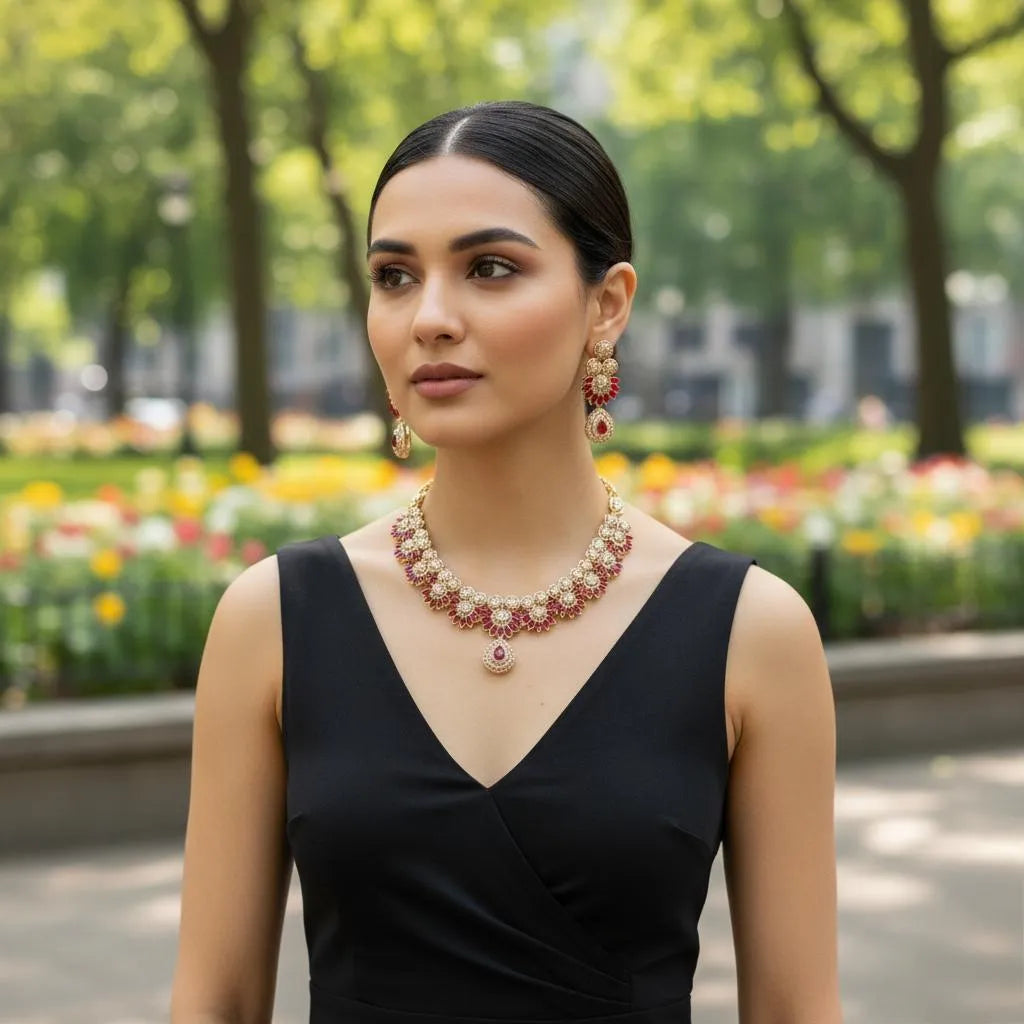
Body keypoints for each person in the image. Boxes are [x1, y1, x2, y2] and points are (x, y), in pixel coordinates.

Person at [170, 100, 841, 1024]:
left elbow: (797, 1010)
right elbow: (215, 1001)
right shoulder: (274, 619)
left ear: (607, 304)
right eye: (395, 276)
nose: (431, 318)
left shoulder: (751, 633)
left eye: (490, 269)